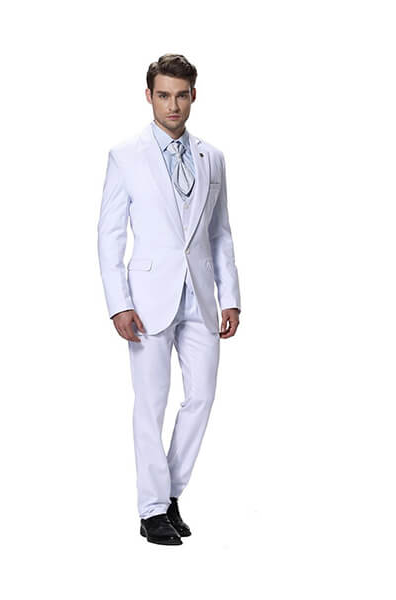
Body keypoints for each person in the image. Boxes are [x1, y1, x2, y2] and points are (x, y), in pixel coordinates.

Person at [97, 53, 241, 545]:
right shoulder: (125, 155)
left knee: (202, 397)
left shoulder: (212, 157)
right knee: (151, 403)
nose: (172, 105)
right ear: (149, 96)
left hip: (200, 297)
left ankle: (171, 493)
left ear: (193, 96)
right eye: (163, 95)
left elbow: (220, 233)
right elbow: (109, 234)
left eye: (181, 95)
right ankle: (151, 509)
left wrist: (230, 296)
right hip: (147, 299)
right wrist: (118, 302)